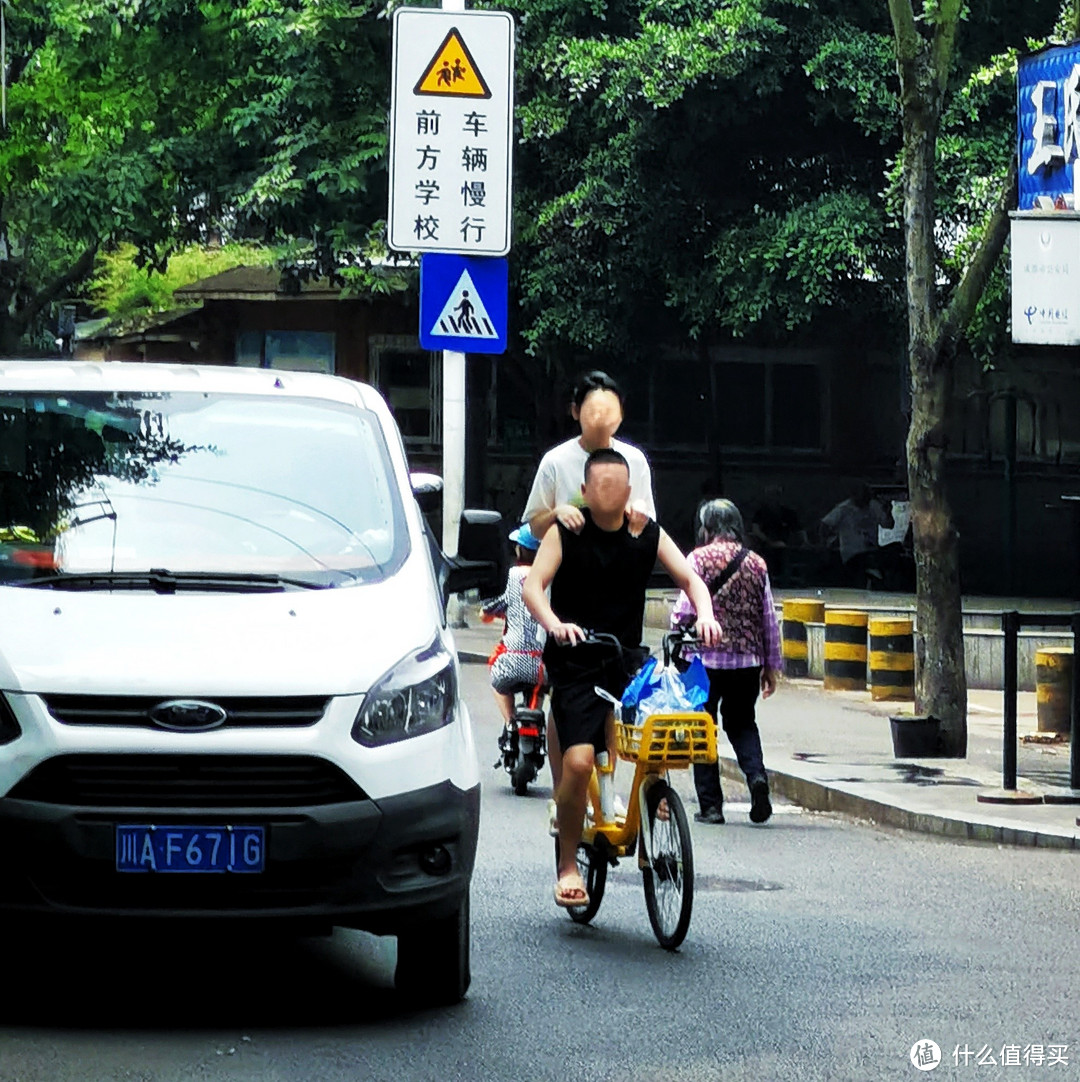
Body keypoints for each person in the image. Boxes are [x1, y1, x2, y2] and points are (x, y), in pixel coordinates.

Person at [522, 448, 721, 909]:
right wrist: (554, 624)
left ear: (630, 492)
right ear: (586, 491)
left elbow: (691, 579)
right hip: (576, 660)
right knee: (578, 763)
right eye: (600, 487)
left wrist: (706, 615)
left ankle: (654, 799)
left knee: (667, 731)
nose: (610, 495)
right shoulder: (566, 530)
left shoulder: (645, 532)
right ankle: (568, 864)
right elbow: (534, 585)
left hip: (628, 662)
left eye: (618, 487)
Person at [521, 370, 658, 826]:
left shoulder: (633, 461)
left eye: (610, 406)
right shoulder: (556, 462)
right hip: (571, 587)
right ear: (575, 411)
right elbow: (532, 526)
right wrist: (558, 512)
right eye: (592, 407)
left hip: (618, 585)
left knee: (615, 706)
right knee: (570, 700)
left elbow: (647, 525)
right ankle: (568, 793)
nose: (601, 416)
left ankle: (610, 790)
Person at [671, 498, 782, 826]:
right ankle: (756, 778)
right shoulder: (756, 563)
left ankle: (711, 807)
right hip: (746, 662)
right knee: (743, 723)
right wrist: (771, 665)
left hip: (699, 661)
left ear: (706, 528)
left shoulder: (697, 559)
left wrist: (676, 634)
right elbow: (768, 618)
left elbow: (682, 612)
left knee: (701, 729)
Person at [480, 523, 545, 721]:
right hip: (543, 667)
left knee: (497, 680)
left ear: (520, 549)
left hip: (512, 662)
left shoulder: (511, 576)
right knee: (539, 688)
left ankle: (510, 723)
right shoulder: (551, 577)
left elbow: (488, 610)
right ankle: (535, 717)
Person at [819, 483, 893, 588]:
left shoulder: (873, 506)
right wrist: (825, 545)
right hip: (852, 553)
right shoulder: (844, 509)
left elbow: (888, 525)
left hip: (872, 550)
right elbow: (825, 524)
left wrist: (888, 512)